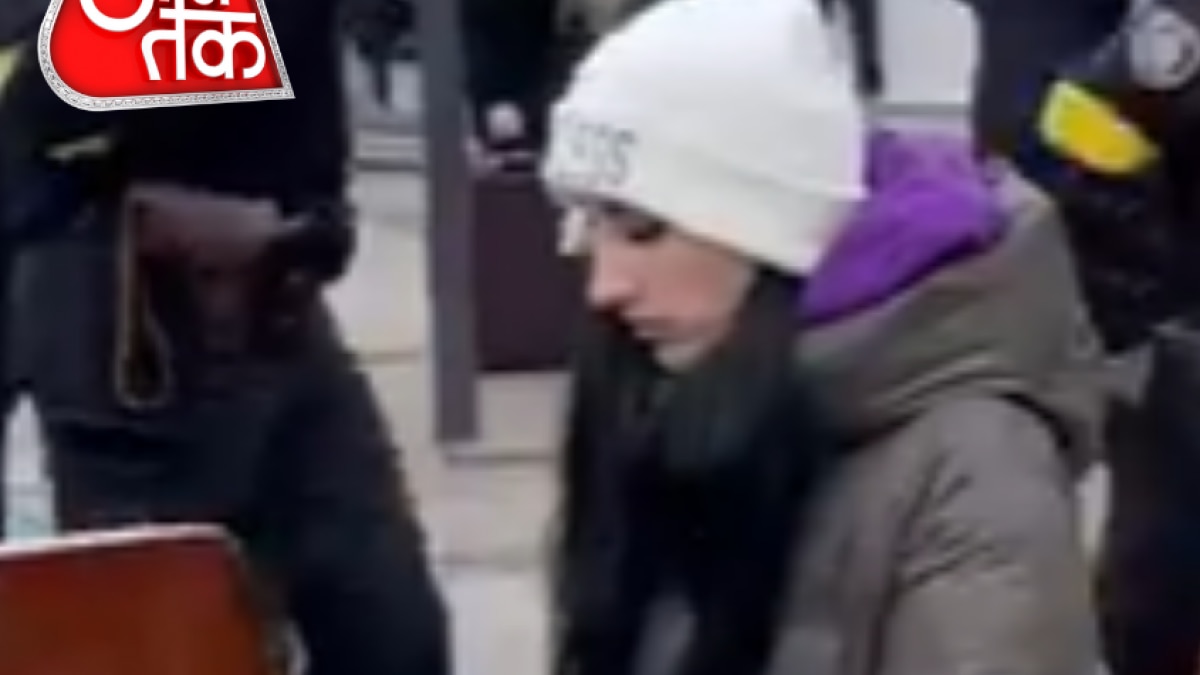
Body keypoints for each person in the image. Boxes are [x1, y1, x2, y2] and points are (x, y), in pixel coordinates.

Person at [539, 0, 1104, 673]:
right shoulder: (655, 389)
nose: (606, 285)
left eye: (642, 229)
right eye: (587, 227)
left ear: (766, 228)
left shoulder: (972, 464)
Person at [0, 0, 450, 672]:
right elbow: (44, 81)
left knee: (391, 627)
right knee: (166, 636)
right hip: (132, 324)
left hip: (273, 298)